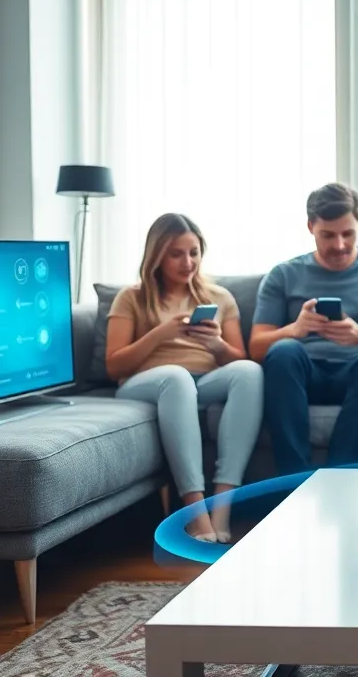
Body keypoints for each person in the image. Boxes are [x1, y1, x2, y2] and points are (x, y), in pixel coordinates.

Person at [105, 213, 263, 544]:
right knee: (176, 378)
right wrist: (160, 334)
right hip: (147, 383)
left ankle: (222, 508)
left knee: (249, 371)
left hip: (201, 382)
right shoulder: (131, 297)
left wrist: (216, 345)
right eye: (176, 254)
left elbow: (240, 357)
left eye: (194, 253)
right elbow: (114, 365)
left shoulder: (219, 297)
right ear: (157, 256)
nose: (188, 262)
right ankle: (194, 514)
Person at [251, 183, 358, 474]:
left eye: (348, 234)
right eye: (328, 235)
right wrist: (294, 329)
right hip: (303, 375)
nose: (339, 245)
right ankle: (294, 481)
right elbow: (257, 347)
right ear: (310, 227)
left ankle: (339, 478)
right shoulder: (283, 275)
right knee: (284, 351)